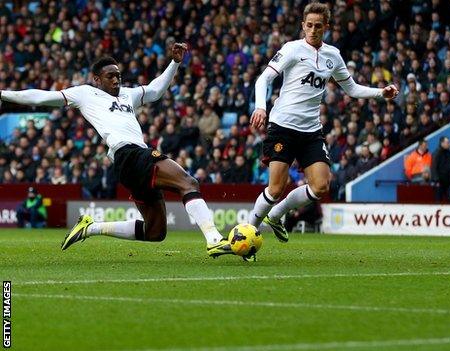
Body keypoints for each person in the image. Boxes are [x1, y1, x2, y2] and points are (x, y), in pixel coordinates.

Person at [1, 43, 231, 257]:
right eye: (110, 76)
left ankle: (91, 227)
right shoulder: (84, 93)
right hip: (129, 154)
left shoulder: (127, 94)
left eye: (118, 75)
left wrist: (174, 63)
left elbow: (155, 91)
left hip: (129, 163)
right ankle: (214, 239)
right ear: (97, 79)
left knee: (155, 232)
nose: (116, 80)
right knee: (188, 183)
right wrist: (4, 94)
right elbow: (42, 97)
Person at [247, 2, 398, 242]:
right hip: (282, 126)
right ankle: (245, 231)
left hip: (311, 131)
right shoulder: (292, 49)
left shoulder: (332, 55)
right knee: (275, 189)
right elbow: (263, 79)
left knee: (320, 186)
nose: (313, 30)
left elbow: (351, 89)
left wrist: (380, 93)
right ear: (303, 26)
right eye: (309, 25)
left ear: (326, 27)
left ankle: (276, 215)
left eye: (318, 26)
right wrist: (260, 107)